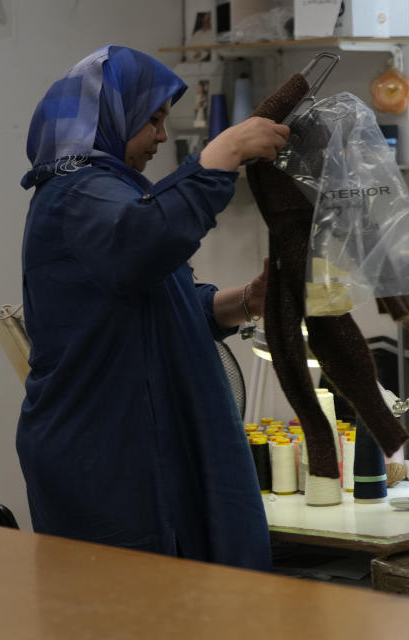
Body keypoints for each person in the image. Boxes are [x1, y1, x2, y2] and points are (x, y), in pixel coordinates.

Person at [17, 45, 290, 570]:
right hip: (105, 454)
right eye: (154, 120)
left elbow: (157, 301)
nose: (162, 137)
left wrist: (243, 302)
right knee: (130, 608)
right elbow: (144, 241)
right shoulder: (75, 194)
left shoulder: (112, 194)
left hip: (136, 445)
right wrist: (224, 152)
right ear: (110, 117)